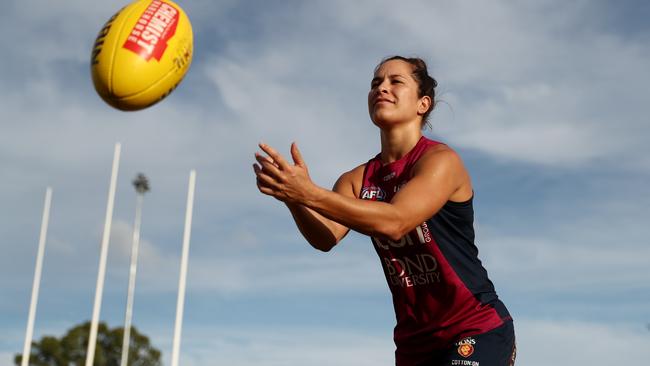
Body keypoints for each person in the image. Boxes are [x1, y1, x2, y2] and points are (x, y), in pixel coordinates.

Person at [253, 56, 516, 366]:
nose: (382, 88)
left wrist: (309, 192)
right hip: (414, 345)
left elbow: (396, 222)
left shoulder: (440, 161)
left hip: (473, 327)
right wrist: (293, 197)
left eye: (396, 81)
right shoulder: (356, 179)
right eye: (376, 83)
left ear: (423, 104)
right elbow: (325, 237)